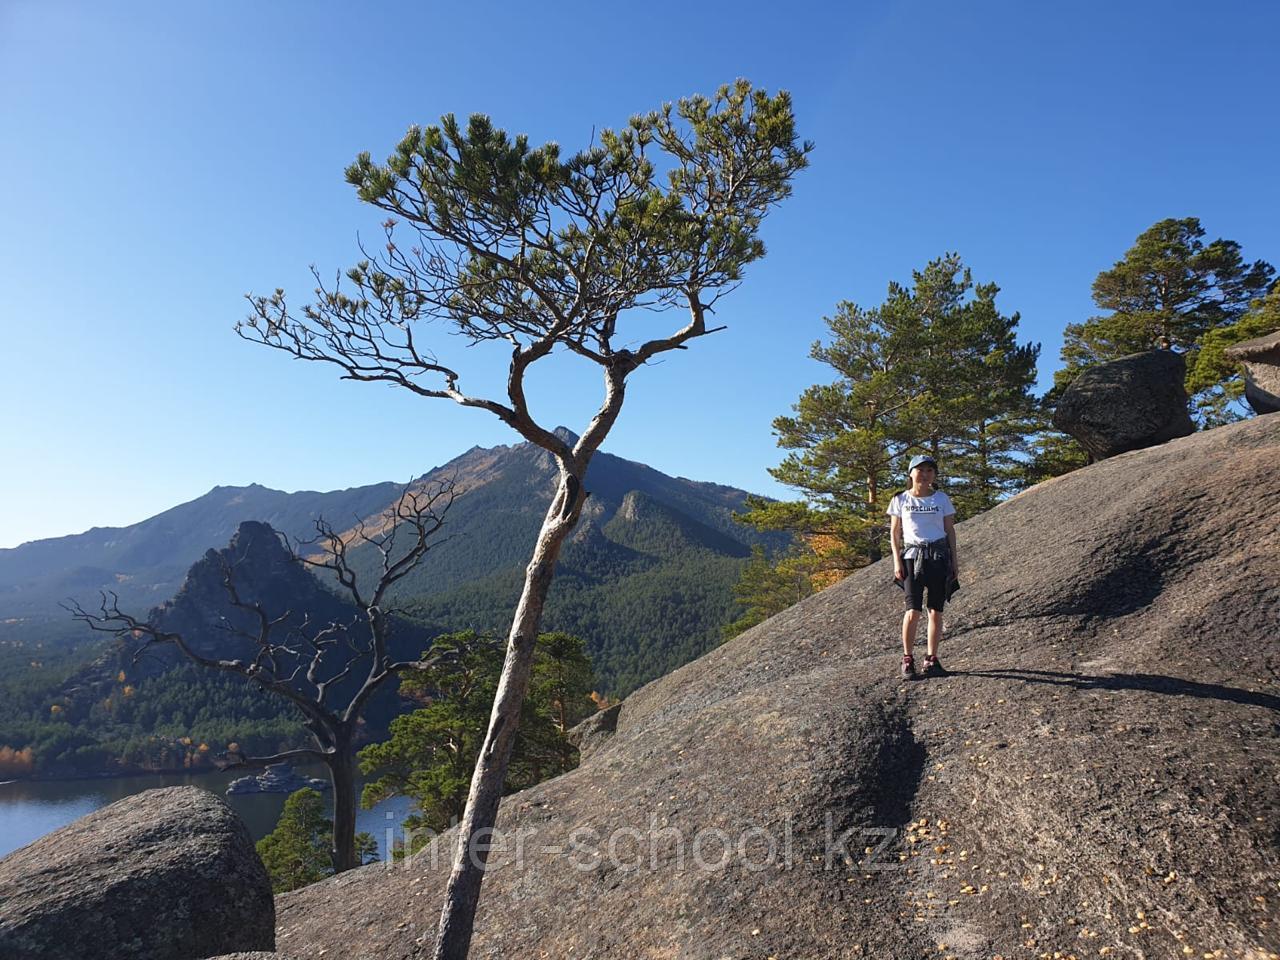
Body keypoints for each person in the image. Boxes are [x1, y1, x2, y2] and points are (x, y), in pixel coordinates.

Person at [887, 454, 958, 680]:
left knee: (936, 611)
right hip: (911, 557)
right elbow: (895, 533)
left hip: (938, 557)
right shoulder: (900, 499)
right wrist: (896, 561)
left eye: (930, 470)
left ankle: (931, 659)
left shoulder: (941, 499)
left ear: (934, 474)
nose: (925, 474)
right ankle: (907, 659)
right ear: (911, 473)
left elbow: (950, 532)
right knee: (913, 610)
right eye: (920, 470)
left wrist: (954, 561)